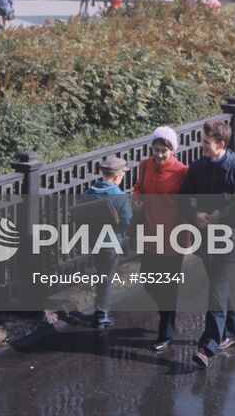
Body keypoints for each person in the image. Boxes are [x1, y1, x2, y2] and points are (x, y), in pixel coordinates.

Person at [180, 119, 235, 368]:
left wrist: (223, 217)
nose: (200, 145)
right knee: (218, 288)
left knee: (216, 293)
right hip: (205, 241)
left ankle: (209, 345)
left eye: (205, 142)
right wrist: (195, 216)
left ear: (221, 144)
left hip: (226, 242)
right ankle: (234, 332)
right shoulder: (198, 167)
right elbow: (184, 198)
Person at [133, 126, 189, 350]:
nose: (158, 155)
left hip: (173, 236)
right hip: (149, 232)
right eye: (155, 149)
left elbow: (188, 202)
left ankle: (166, 332)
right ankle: (168, 311)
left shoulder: (182, 171)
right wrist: (136, 198)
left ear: (172, 151)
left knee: (168, 285)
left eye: (163, 151)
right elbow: (139, 187)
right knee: (148, 279)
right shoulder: (144, 166)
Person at [78, 155, 132, 328]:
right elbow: (126, 221)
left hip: (93, 240)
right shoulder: (119, 196)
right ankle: (102, 313)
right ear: (117, 176)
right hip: (110, 242)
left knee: (100, 273)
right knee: (106, 277)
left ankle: (99, 306)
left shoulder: (88, 192)